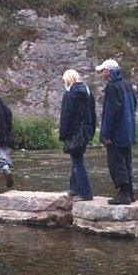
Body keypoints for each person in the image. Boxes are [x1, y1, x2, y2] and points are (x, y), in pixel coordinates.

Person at [96, 59, 137, 205]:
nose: (102, 74)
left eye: (103, 71)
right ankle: (131, 193)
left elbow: (110, 112)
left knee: (116, 163)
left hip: (117, 133)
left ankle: (123, 195)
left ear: (109, 71)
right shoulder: (127, 84)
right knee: (127, 162)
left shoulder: (112, 87)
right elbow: (134, 105)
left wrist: (105, 134)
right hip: (128, 131)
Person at [58, 69, 96, 202]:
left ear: (68, 80)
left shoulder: (70, 93)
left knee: (78, 162)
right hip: (86, 131)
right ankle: (73, 189)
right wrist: (91, 132)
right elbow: (93, 113)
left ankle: (85, 194)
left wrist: (62, 134)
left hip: (74, 132)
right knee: (76, 160)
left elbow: (66, 115)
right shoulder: (88, 92)